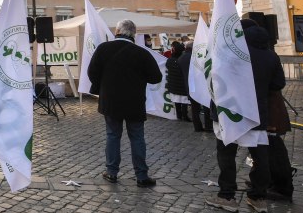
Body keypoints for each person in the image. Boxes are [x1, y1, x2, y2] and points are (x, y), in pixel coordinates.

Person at [206, 19, 286, 213]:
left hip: (230, 111)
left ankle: (227, 195)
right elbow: (278, 84)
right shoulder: (271, 56)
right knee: (260, 156)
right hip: (256, 112)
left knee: (226, 155)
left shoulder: (232, 54)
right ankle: (258, 196)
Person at [86, 19, 162, 186]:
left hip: (111, 102)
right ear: (133, 33)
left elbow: (92, 72)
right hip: (135, 102)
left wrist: (103, 87)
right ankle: (142, 176)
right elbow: (156, 77)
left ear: (117, 30)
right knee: (137, 138)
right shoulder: (142, 53)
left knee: (113, 136)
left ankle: (112, 172)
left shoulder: (103, 49)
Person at [179, 41, 213, 132]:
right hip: (201, 85)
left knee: (194, 109)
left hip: (189, 86)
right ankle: (208, 126)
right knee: (206, 106)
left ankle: (197, 127)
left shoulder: (181, 58)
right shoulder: (195, 56)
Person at [165, 41, 190, 121]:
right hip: (182, 85)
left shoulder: (169, 60)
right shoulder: (182, 59)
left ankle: (179, 115)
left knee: (177, 102)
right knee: (184, 102)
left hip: (173, 85)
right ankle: (185, 116)